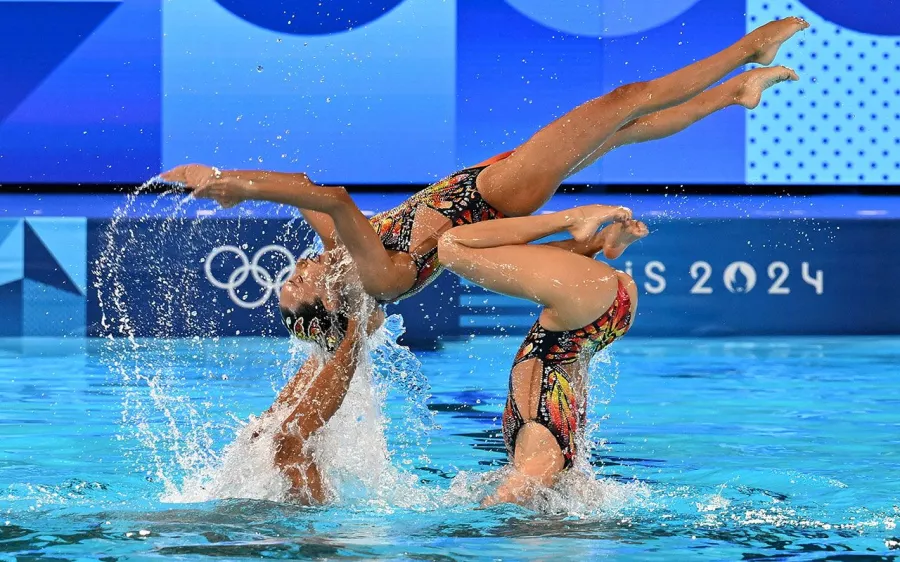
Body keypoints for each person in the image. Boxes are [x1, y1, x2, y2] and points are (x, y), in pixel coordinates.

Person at [161, 17, 806, 501]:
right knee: (620, 106)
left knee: (618, 127)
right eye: (295, 284)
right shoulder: (374, 273)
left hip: (479, 183)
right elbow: (324, 192)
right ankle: (746, 52)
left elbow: (303, 191)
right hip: (496, 200)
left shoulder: (338, 255)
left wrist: (241, 188)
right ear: (328, 301)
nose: (295, 270)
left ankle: (735, 93)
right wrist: (231, 182)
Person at [437, 205, 648, 506]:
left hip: (604, 315)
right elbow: (516, 490)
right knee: (451, 246)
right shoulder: (542, 456)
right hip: (586, 307)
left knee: (463, 249)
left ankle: (598, 243)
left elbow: (517, 489)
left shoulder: (557, 457)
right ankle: (577, 222)